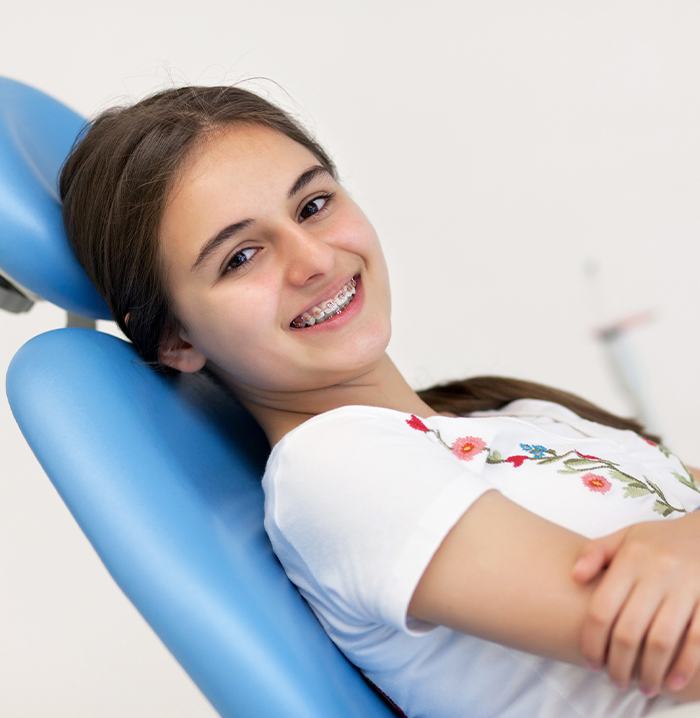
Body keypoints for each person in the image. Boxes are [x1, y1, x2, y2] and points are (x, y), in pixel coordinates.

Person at [58, 83, 700, 717]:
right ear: (175, 338)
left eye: (311, 206)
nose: (312, 259)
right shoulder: (335, 469)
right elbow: (683, 650)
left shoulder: (513, 417)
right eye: (242, 256)